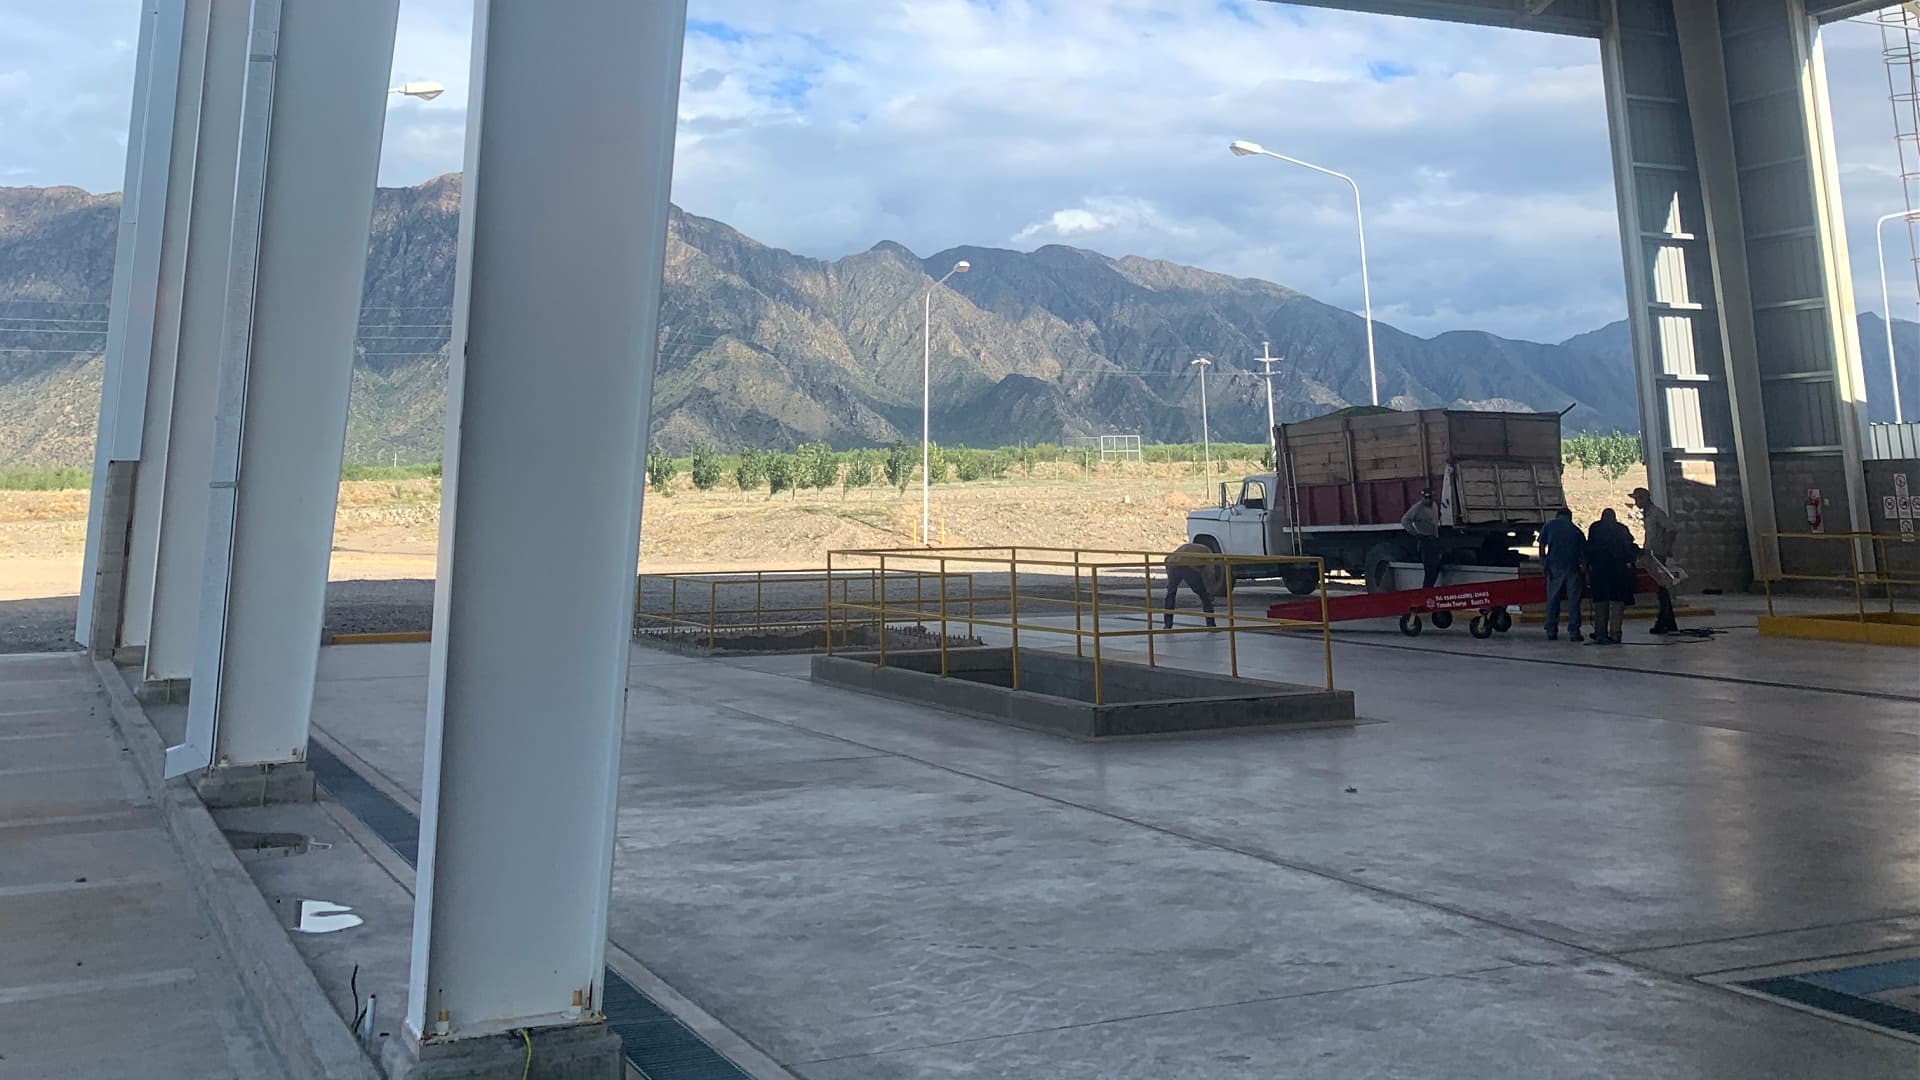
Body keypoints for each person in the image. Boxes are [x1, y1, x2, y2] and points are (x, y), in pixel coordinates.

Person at [1630, 486, 1680, 634]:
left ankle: (1663, 622)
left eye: (1638, 499)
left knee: (1662, 589)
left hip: (1658, 555)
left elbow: (1671, 529)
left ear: (1645, 498)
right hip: (1651, 554)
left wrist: (1667, 549)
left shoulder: (1656, 513)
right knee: (1660, 590)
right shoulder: (1647, 514)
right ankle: (1668, 622)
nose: (1636, 502)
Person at [1585, 508, 1637, 646]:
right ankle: (1616, 635)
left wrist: (1587, 569)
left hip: (1599, 571)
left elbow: (1588, 549)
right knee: (1617, 604)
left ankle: (1600, 633)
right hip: (1618, 572)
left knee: (1600, 604)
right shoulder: (1621, 529)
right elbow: (1629, 548)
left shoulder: (1595, 528)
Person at [1537, 508, 1585, 642]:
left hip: (1554, 568)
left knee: (1553, 600)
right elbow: (1583, 554)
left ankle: (1551, 631)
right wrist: (1586, 571)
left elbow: (1541, 545)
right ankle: (1574, 632)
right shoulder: (1576, 530)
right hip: (1572, 569)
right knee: (1573, 602)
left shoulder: (1549, 525)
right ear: (1570, 517)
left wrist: (1543, 563)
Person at [1162, 542, 1222, 630]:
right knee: (1204, 596)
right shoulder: (1208, 553)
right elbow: (1209, 574)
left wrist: (1170, 582)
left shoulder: (1194, 547)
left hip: (1172, 563)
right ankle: (1211, 624)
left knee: (1171, 594)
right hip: (1187, 566)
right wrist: (1211, 591)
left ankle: (1167, 625)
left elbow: (1167, 560)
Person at [1400, 488, 1443, 587]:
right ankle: (1426, 590)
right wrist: (1415, 533)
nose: (1428, 500)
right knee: (1429, 569)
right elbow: (1405, 520)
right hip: (1425, 541)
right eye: (1426, 498)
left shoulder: (1434, 506)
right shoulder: (1417, 508)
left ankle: (1429, 588)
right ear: (1422, 497)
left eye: (1430, 498)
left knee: (1436, 567)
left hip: (1434, 540)